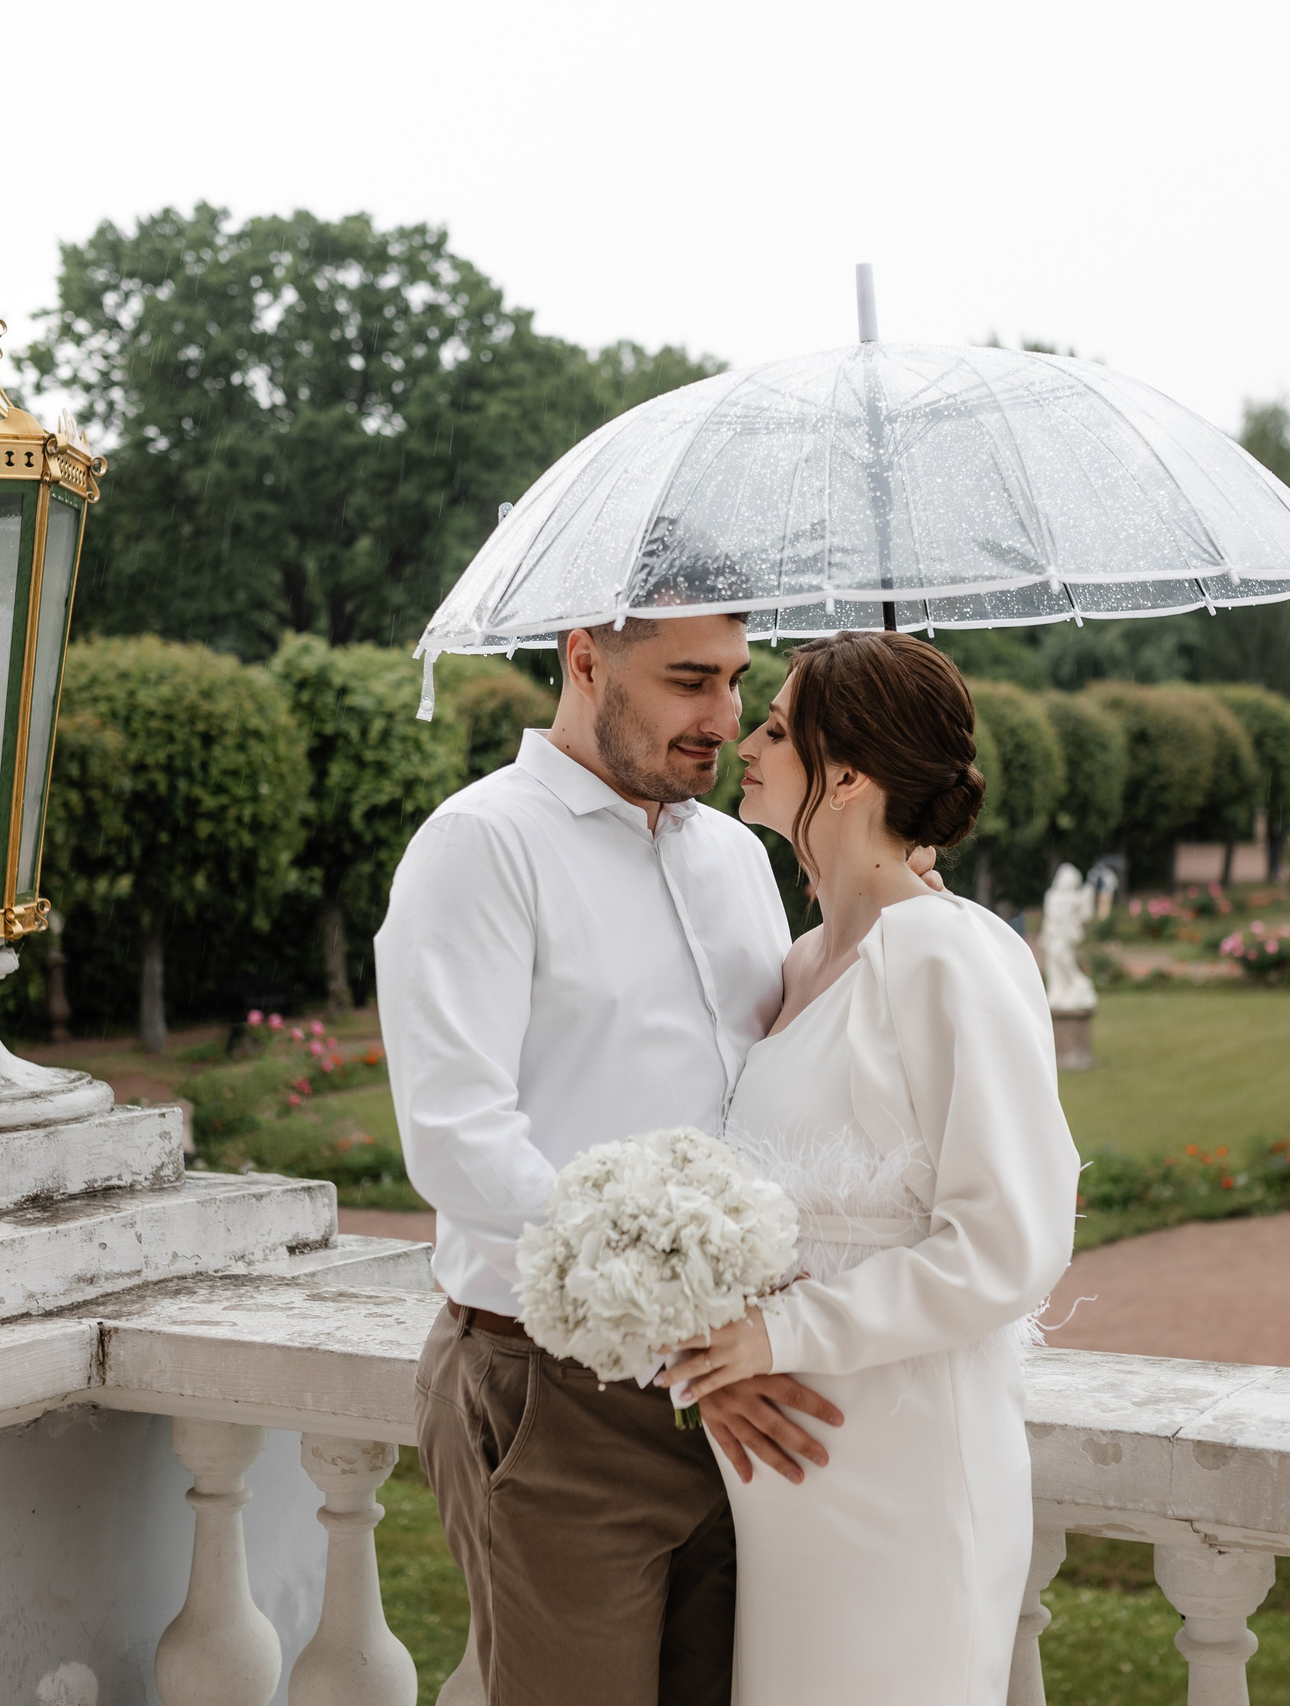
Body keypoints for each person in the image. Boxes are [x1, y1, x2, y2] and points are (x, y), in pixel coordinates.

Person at [376, 613, 847, 1706]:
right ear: (584, 658)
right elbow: (457, 1140)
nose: (725, 718)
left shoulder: (737, 854)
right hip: (556, 1398)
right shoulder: (481, 843)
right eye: (690, 680)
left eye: (736, 680)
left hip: (743, 1399)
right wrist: (683, 1329)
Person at [659, 630, 1082, 1706]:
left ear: (846, 776)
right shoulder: (801, 962)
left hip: (904, 1462)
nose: (746, 743)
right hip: (789, 1475)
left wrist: (781, 1333)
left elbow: (1008, 1243)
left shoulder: (947, 953)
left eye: (774, 727)